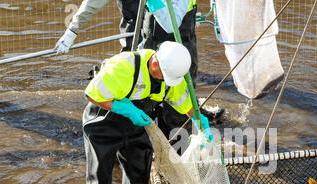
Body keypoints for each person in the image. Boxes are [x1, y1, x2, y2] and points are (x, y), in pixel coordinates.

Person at [83, 41, 211, 184]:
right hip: (103, 126)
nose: (165, 81)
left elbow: (182, 101)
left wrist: (199, 119)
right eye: (163, 75)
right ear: (155, 62)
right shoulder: (124, 66)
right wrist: (123, 107)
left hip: (138, 126)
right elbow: (92, 95)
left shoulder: (171, 77)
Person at [55, 0, 224, 121]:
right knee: (133, 82)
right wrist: (72, 31)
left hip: (180, 33)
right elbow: (93, 3)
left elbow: (173, 20)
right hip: (142, 30)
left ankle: (188, 120)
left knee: (181, 79)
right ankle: (123, 123)